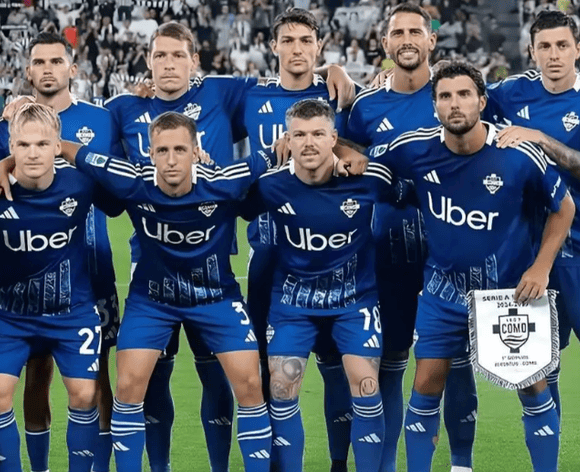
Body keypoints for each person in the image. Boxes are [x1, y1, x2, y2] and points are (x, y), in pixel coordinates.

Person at [101, 21, 354, 472]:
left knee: (220, 376)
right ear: (147, 61)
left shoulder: (223, 92)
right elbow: (86, 153)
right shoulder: (123, 107)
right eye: (159, 56)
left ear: (194, 61)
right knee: (149, 381)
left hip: (214, 266)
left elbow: (289, 83)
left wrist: (330, 70)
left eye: (177, 55)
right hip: (151, 265)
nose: (168, 64)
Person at [0, 111, 275, 472]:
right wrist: (6, 163)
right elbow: (73, 152)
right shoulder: (133, 180)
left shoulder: (226, 180)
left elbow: (283, 149)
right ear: (150, 153)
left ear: (196, 151)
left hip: (216, 297)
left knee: (250, 383)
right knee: (127, 385)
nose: (171, 160)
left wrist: (334, 151)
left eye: (180, 150)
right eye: (162, 150)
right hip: (153, 300)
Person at [376, 61, 575, 472]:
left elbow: (564, 208)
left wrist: (540, 268)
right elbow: (361, 161)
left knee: (533, 385)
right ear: (434, 105)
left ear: (482, 102)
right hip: (444, 290)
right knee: (426, 383)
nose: (455, 104)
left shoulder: (518, 153)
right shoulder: (413, 148)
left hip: (509, 293)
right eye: (445, 96)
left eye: (464, 94)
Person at [485, 10, 580, 472]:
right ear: (531, 51)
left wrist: (538, 137)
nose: (553, 55)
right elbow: (458, 102)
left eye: (562, 45)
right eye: (544, 46)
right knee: (537, 368)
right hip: (531, 251)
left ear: (578, 49)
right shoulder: (508, 93)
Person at [0, 103, 120, 472]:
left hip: (72, 312)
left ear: (57, 145)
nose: (33, 153)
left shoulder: (81, 182)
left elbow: (123, 194)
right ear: (11, 147)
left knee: (85, 394)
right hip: (9, 317)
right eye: (23, 145)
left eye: (42, 144)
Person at [343, 5, 478, 471]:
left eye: (415, 32)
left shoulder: (452, 94)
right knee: (392, 360)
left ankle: (461, 463)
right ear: (385, 43)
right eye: (397, 32)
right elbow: (346, 151)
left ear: (431, 40)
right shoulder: (366, 106)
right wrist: (332, 73)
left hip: (451, 252)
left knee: (454, 361)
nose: (406, 39)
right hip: (388, 254)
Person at [0, 32, 122, 472]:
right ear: (28, 71)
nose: (48, 69)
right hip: (31, 272)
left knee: (97, 378)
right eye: (39, 62)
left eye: (56, 61)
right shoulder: (7, 127)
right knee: (36, 374)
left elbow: (115, 196)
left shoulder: (101, 120)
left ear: (72, 69)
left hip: (92, 267)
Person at [234, 9, 357, 472]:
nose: (297, 48)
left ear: (319, 46)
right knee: (273, 373)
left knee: (336, 368)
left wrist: (335, 71)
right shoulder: (251, 96)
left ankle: (339, 462)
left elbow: (360, 157)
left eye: (306, 40)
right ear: (274, 47)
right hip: (269, 254)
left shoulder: (340, 95)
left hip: (332, 256)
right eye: (288, 40)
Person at [241, 98, 392, 472]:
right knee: (281, 389)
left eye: (318, 134)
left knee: (366, 385)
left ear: (334, 139)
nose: (309, 143)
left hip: (354, 302)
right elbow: (228, 202)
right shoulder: (270, 186)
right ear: (287, 140)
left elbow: (416, 194)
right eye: (299, 135)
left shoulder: (367, 179)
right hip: (293, 304)